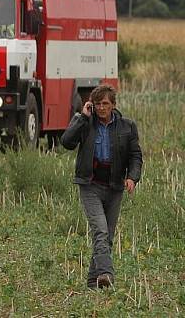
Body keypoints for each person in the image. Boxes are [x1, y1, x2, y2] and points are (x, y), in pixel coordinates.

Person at [61, 84, 143, 289]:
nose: (101, 108)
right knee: (100, 231)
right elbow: (66, 142)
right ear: (92, 105)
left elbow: (135, 156)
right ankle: (106, 274)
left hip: (115, 186)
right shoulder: (85, 123)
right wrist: (81, 117)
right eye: (97, 104)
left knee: (107, 236)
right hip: (90, 184)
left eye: (105, 104)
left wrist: (132, 178)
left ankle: (92, 282)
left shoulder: (127, 126)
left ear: (113, 105)